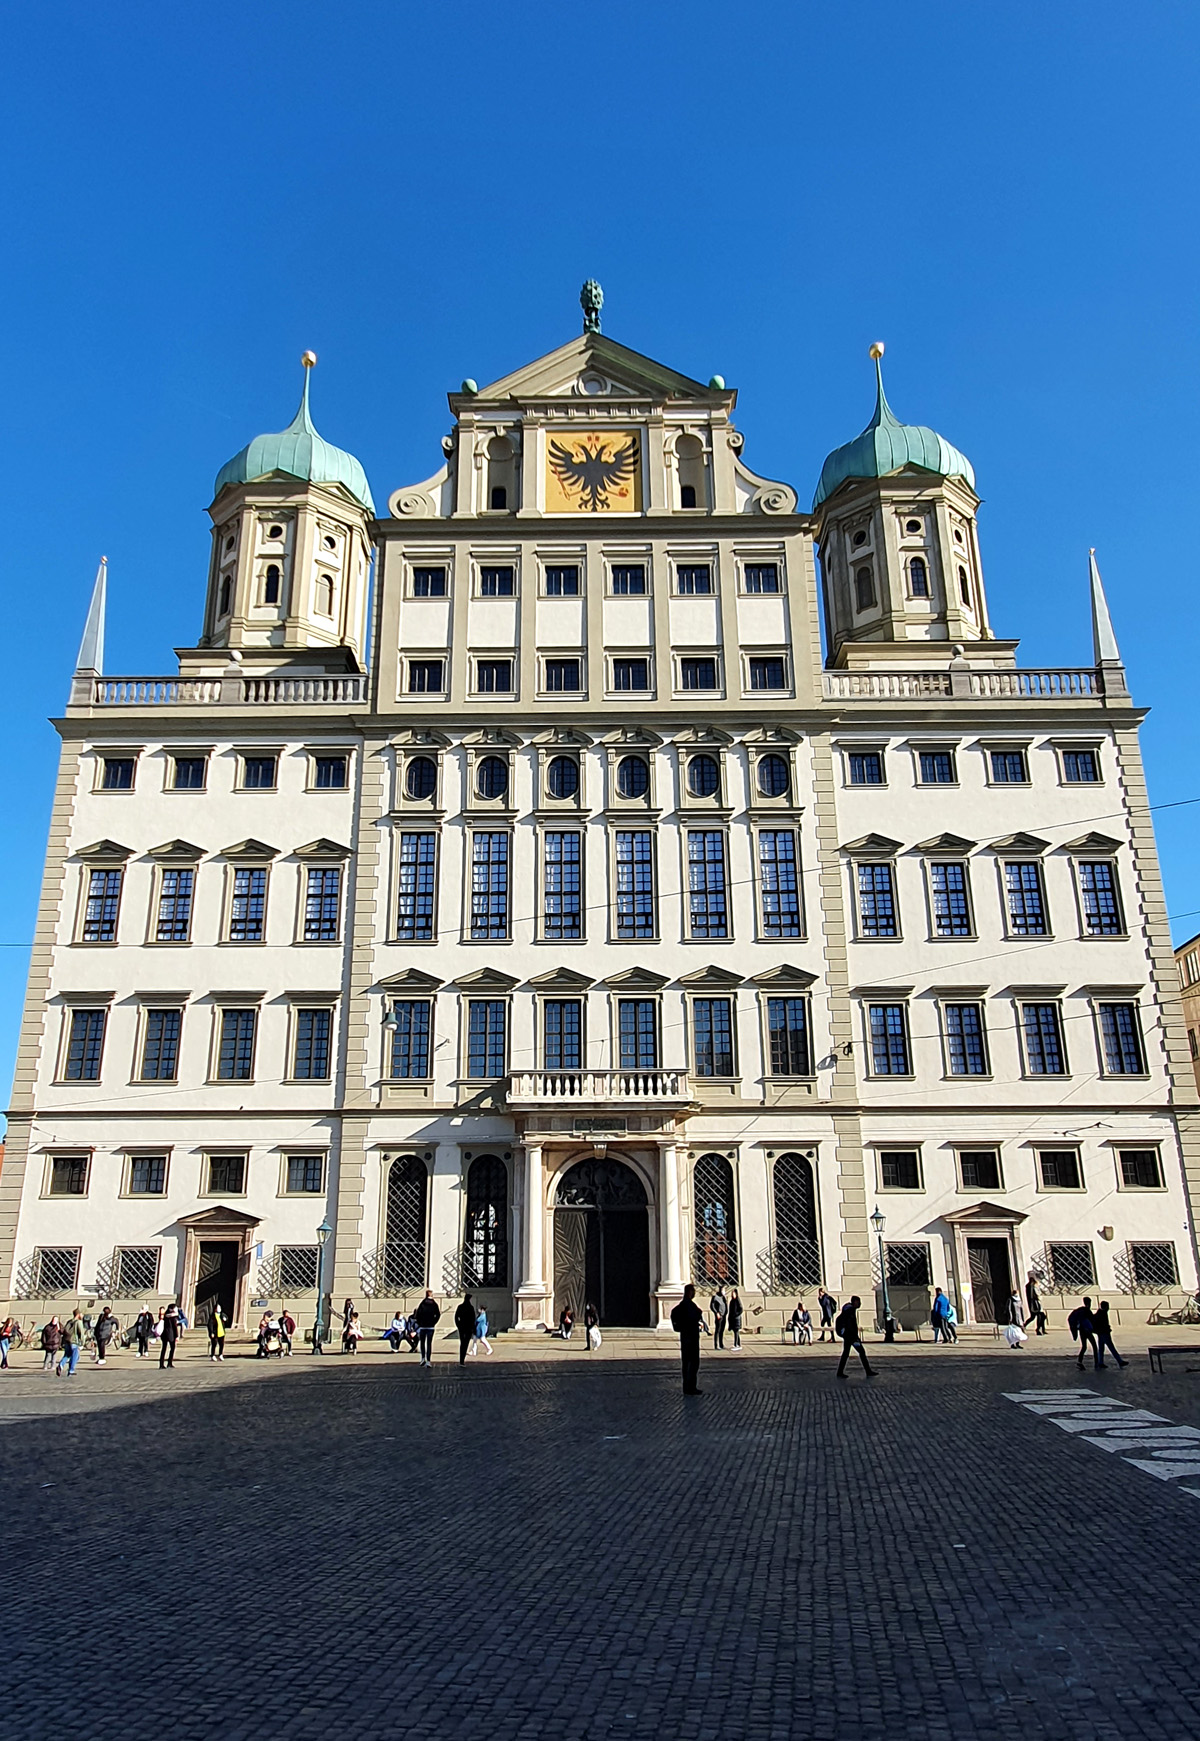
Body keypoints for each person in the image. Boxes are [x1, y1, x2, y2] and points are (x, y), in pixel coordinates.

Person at [670, 1283, 707, 1395]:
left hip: (685, 1336)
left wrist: (677, 1327)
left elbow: (674, 1314)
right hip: (691, 1336)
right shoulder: (689, 1305)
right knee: (693, 1362)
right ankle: (691, 1387)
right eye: (693, 1291)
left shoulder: (682, 1305)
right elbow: (695, 1316)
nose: (694, 1293)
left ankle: (687, 1386)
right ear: (689, 1292)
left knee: (686, 1363)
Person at [835, 1295, 876, 1380]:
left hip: (848, 1335)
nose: (860, 1304)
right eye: (858, 1302)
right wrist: (855, 1337)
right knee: (861, 1352)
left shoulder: (848, 1310)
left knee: (846, 1353)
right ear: (855, 1302)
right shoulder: (850, 1311)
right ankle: (868, 1371)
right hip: (851, 1336)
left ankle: (840, 1372)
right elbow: (851, 1325)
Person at [1092, 1300, 1128, 1369]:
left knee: (1101, 1349)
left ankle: (1100, 1362)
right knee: (1111, 1348)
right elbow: (1104, 1325)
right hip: (1105, 1333)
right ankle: (1120, 1361)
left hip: (1101, 1333)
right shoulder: (1103, 1314)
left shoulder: (1099, 1313)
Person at [1068, 1296, 1100, 1370]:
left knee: (1084, 1346)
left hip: (1081, 1331)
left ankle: (1079, 1361)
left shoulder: (1079, 1310)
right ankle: (1096, 1362)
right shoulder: (1087, 1311)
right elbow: (1093, 1319)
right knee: (1094, 1346)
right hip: (1087, 1331)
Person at [414, 1290, 441, 1367]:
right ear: (432, 1295)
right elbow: (438, 1314)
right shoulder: (434, 1304)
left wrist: (420, 1323)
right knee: (429, 1344)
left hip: (423, 1327)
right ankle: (428, 1361)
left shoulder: (422, 1303)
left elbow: (417, 1315)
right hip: (431, 1327)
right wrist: (434, 1322)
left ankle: (422, 1358)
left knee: (422, 1343)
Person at [57, 1312, 83, 1378]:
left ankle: (60, 1365)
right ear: (78, 1314)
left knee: (67, 1355)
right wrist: (82, 1343)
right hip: (74, 1341)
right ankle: (71, 1370)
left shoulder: (69, 1321)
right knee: (75, 1356)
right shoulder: (78, 1322)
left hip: (67, 1341)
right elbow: (81, 1333)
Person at [454, 1293, 476, 1366]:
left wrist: (458, 1325)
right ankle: (462, 1360)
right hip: (468, 1328)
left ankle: (461, 1359)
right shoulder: (471, 1308)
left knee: (462, 1343)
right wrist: (472, 1328)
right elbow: (473, 1319)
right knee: (465, 1344)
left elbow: (456, 1317)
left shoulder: (460, 1307)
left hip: (462, 1327)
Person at [159, 1301, 181, 1368]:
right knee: (172, 1348)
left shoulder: (166, 1315)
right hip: (171, 1334)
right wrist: (177, 1336)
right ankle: (169, 1363)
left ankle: (161, 1364)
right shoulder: (173, 1317)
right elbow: (174, 1327)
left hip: (164, 1334)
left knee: (164, 1349)